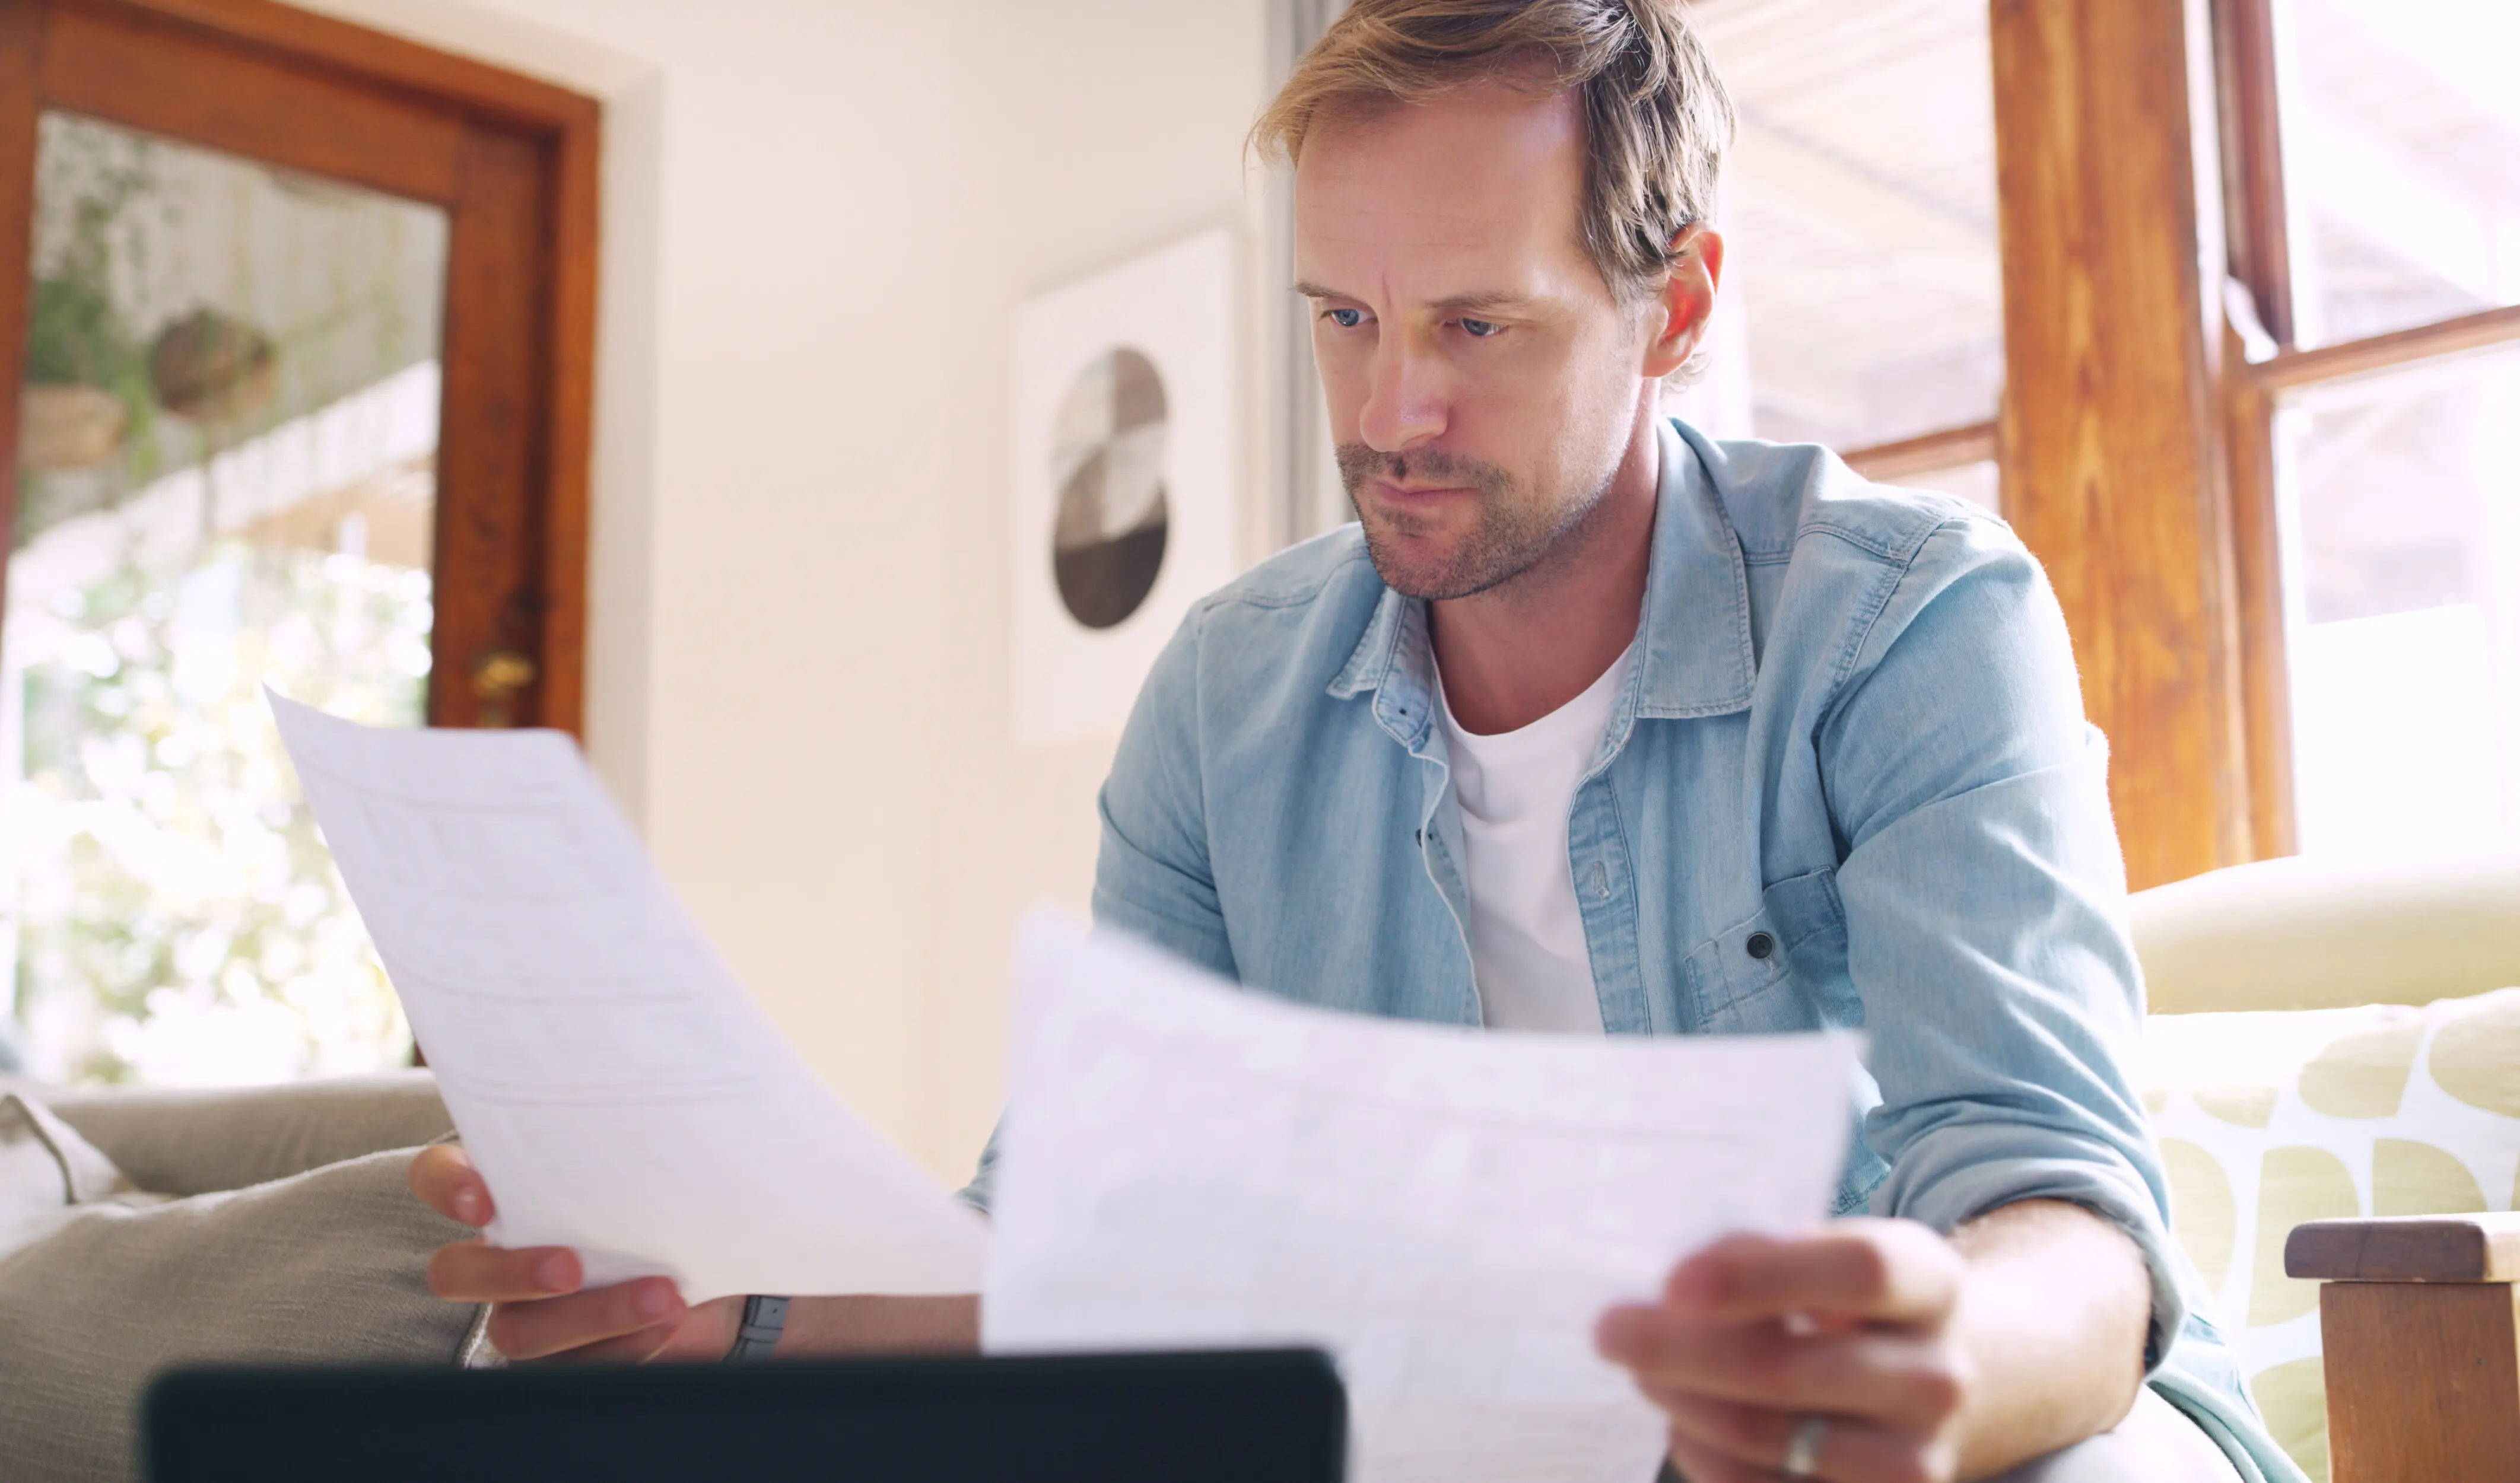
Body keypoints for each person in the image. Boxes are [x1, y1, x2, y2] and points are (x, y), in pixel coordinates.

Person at [411, 2, 2305, 1479]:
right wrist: (722, 1313)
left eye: (1478, 326)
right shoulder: (1225, 699)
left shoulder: (1907, 624)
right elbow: (1088, 1230)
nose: (1392, 410)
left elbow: (2065, 1225)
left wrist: (1929, 1359)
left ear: (1672, 307)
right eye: (1342, 315)